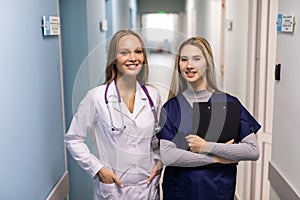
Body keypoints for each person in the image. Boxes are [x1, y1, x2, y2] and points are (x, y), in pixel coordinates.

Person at [157, 36, 261, 200]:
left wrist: (206, 146)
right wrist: (217, 158)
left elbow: (252, 150)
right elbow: (169, 156)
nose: (189, 65)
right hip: (180, 192)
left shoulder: (229, 104)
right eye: (184, 59)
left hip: (218, 191)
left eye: (196, 59)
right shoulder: (171, 108)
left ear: (208, 64)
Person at [65, 29, 162, 200]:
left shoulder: (152, 95)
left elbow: (156, 137)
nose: (133, 58)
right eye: (124, 52)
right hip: (114, 190)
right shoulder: (96, 97)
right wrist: (98, 169)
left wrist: (158, 161)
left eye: (138, 51)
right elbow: (73, 138)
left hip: (147, 187)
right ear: (113, 59)